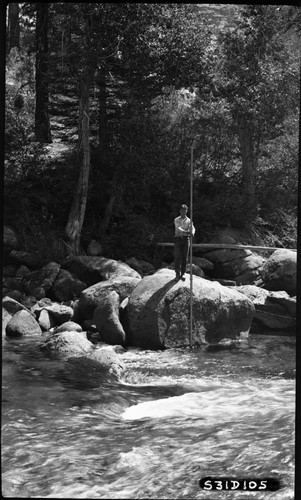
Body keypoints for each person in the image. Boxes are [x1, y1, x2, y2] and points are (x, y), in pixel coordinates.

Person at [174, 204, 195, 280]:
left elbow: (192, 228)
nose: (184, 212)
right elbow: (178, 228)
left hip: (186, 240)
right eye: (182, 210)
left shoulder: (189, 220)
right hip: (178, 239)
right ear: (180, 211)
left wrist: (192, 232)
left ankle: (183, 273)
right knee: (177, 257)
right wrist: (186, 232)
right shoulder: (176, 219)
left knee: (184, 258)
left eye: (185, 210)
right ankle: (177, 274)